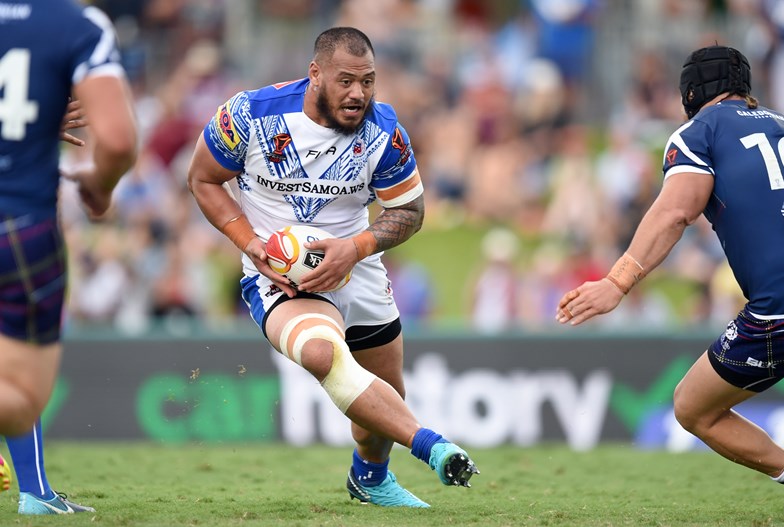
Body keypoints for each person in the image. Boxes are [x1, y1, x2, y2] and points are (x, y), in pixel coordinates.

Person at [186, 26, 478, 508]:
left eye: (368, 81)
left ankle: (370, 478)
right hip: (281, 277)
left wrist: (355, 248)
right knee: (323, 354)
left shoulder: (384, 133)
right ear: (316, 74)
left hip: (357, 268)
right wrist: (249, 243)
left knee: (384, 395)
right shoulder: (249, 115)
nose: (358, 93)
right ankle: (432, 446)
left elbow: (410, 211)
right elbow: (202, 179)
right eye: (346, 81)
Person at [556, 45, 784, 520]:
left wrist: (617, 282)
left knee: (693, 408)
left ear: (690, 92)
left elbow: (676, 211)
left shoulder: (697, 133)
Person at [0, 0, 137, 506]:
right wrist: (99, 187)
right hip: (21, 229)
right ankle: (35, 494)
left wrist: (28, 121)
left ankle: (37, 493)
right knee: (20, 396)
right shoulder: (77, 25)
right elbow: (117, 141)